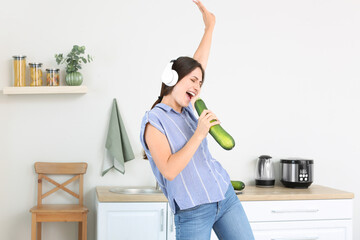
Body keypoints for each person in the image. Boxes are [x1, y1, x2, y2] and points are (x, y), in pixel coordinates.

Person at [140, 0, 254, 239]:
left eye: (200, 83)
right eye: (192, 80)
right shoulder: (154, 121)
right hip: (193, 210)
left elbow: (198, 63)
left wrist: (209, 27)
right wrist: (200, 133)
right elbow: (169, 170)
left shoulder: (189, 109)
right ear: (172, 78)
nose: (197, 86)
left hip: (224, 196)